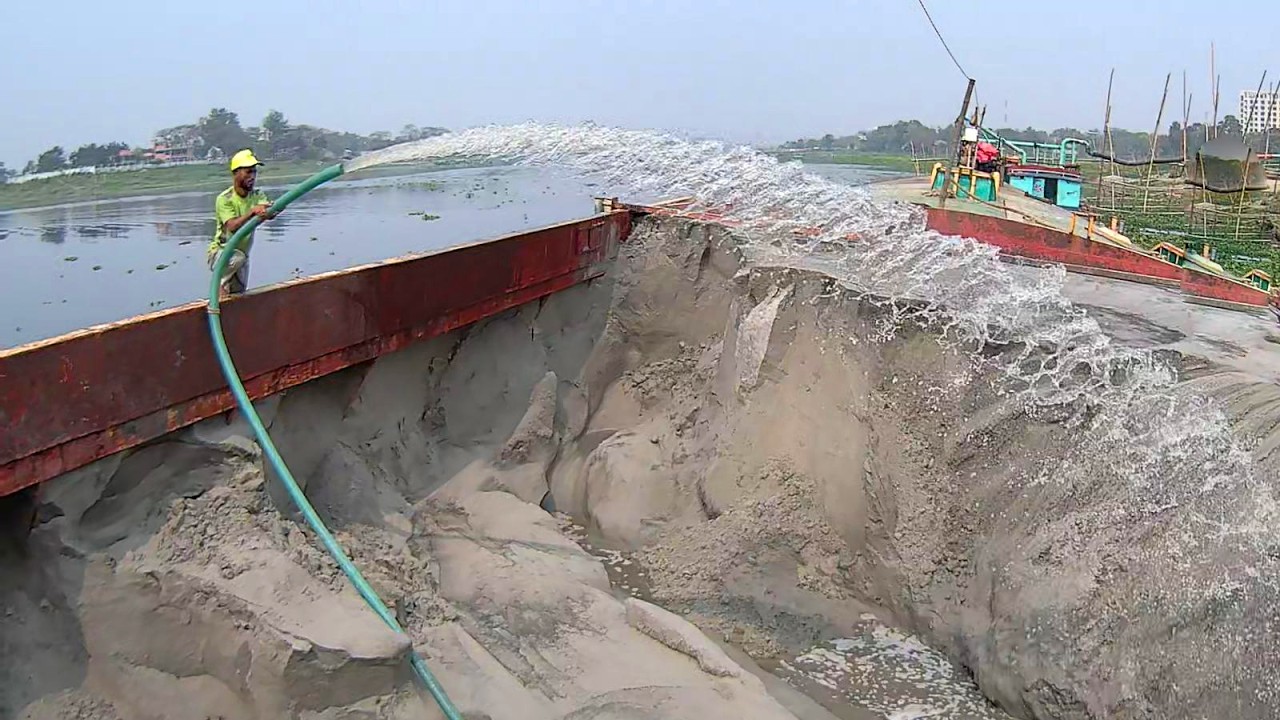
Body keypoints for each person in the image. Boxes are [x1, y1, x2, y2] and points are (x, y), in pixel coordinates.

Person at [208, 149, 274, 295]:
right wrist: (252, 212)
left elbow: (266, 211)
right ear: (236, 173)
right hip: (222, 253)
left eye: (254, 172)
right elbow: (232, 227)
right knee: (236, 260)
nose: (252, 176)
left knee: (239, 292)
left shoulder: (257, 195)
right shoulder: (225, 199)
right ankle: (219, 288)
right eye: (248, 172)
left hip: (242, 256)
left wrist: (273, 210)